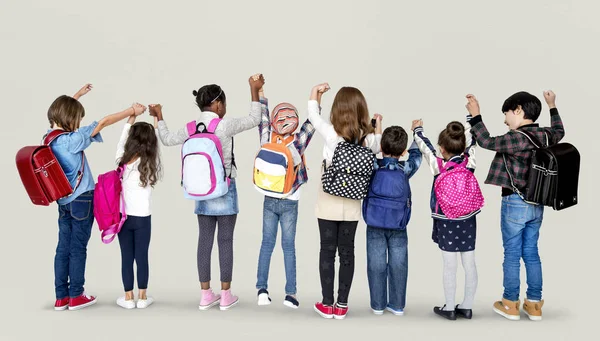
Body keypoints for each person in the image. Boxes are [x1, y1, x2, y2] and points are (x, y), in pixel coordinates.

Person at [152, 75, 264, 310]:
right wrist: (254, 89)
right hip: (224, 189)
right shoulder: (224, 125)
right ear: (218, 104)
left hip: (200, 193)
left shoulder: (191, 128)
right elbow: (256, 118)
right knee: (225, 241)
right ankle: (225, 296)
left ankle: (205, 295)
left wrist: (159, 117)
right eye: (224, 103)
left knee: (204, 241)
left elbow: (167, 138)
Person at [466, 91, 565, 321]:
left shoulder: (517, 138)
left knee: (511, 253)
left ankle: (510, 302)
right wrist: (552, 106)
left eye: (506, 114)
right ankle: (534, 304)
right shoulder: (546, 135)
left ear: (518, 110)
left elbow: (487, 142)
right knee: (531, 252)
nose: (505, 120)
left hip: (515, 202)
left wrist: (476, 116)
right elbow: (560, 131)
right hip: (537, 203)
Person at [49, 83, 146, 311]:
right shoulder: (73, 139)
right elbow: (102, 122)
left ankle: (61, 297)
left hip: (63, 201)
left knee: (63, 248)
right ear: (70, 119)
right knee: (78, 248)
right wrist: (131, 111)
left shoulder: (49, 138)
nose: (79, 124)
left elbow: (61, 116)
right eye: (77, 119)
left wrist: (77, 96)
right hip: (81, 200)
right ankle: (76, 295)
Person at [308, 83, 382, 319]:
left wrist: (315, 92)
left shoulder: (332, 134)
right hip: (352, 202)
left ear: (338, 110)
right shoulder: (367, 140)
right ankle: (342, 305)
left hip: (328, 197)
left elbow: (312, 116)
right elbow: (379, 145)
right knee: (347, 252)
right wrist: (377, 126)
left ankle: (327, 304)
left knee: (327, 251)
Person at [254, 77, 316, 309]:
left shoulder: (267, 136)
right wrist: (317, 96)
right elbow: (313, 124)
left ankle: (262, 290)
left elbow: (262, 117)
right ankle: (291, 294)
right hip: (291, 199)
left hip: (269, 197)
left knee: (266, 244)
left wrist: (261, 93)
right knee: (288, 246)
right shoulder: (298, 141)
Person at [413, 114, 479, 320]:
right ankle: (467, 306)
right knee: (469, 262)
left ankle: (449, 307)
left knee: (449, 264)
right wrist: (469, 121)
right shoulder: (469, 162)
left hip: (446, 219)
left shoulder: (438, 165)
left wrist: (417, 130)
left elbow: (425, 148)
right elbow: (472, 141)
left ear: (442, 148)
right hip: (468, 218)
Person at [366, 125, 422, 316]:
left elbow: (368, 148)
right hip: (398, 222)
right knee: (399, 263)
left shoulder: (374, 165)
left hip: (374, 221)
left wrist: (376, 129)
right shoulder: (404, 168)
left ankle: (377, 305)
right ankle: (397, 305)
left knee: (375, 263)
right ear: (403, 151)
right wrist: (417, 133)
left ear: (381, 147)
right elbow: (417, 156)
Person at [114, 113, 162, 309]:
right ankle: (142, 297)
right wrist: (157, 117)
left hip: (122, 217)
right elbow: (156, 137)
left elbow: (122, 139)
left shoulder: (120, 162)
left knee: (126, 256)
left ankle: (128, 298)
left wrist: (131, 117)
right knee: (142, 256)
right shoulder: (150, 163)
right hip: (143, 218)